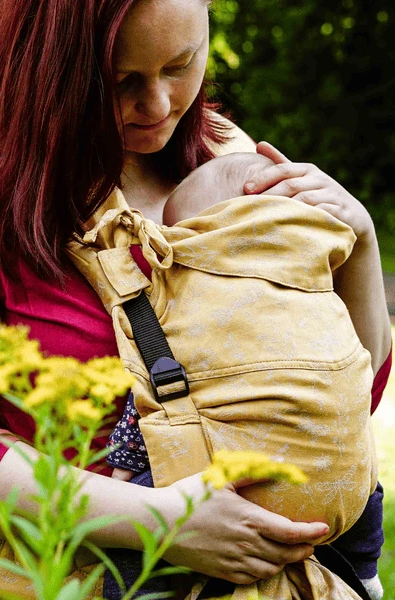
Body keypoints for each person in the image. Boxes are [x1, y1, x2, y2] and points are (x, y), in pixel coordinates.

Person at [0, 0, 392, 596]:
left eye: (181, 65)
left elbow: (334, 397)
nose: (160, 105)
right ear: (50, 63)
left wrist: (360, 244)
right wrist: (158, 522)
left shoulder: (223, 158)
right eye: (122, 81)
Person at [98, 151, 384, 599]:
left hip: (232, 482)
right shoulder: (313, 285)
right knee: (366, 482)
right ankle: (363, 571)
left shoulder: (191, 301)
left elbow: (153, 390)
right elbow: (357, 376)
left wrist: (127, 465)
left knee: (130, 540)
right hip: (342, 486)